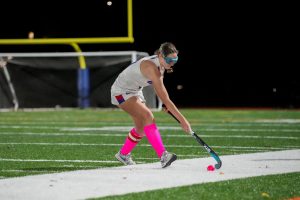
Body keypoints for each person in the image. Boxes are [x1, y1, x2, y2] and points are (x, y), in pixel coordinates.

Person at [111, 42, 191, 168]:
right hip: (120, 91)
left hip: (135, 91)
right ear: (160, 56)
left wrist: (169, 106)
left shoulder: (161, 68)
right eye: (170, 60)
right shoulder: (152, 68)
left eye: (175, 60)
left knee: (141, 129)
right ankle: (163, 156)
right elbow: (165, 98)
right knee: (148, 116)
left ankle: (123, 154)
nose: (172, 63)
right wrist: (183, 120)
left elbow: (164, 98)